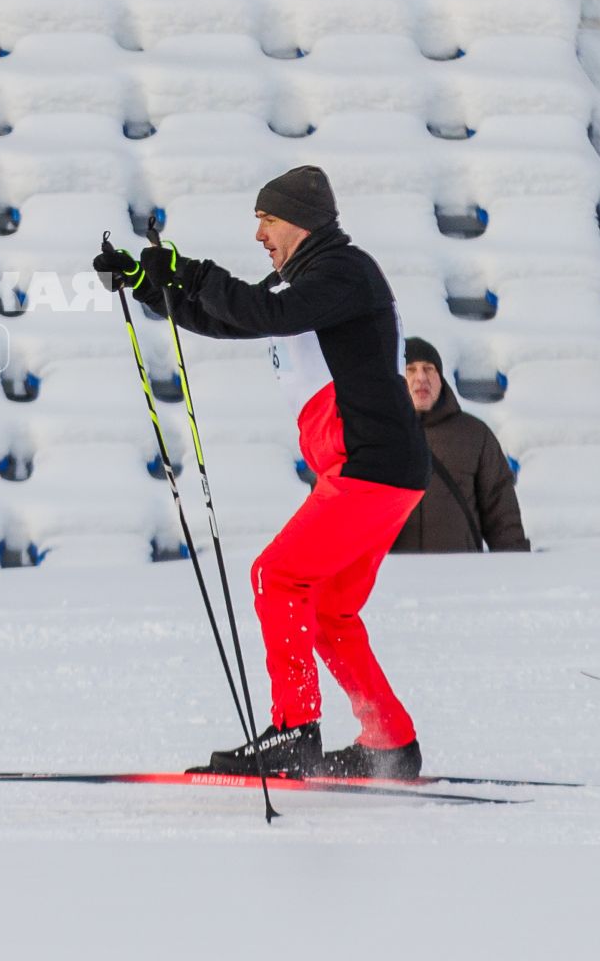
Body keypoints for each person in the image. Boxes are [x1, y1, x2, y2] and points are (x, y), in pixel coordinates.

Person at [94, 166, 431, 780]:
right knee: (328, 608)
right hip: (377, 467)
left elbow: (253, 311)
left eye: (267, 220)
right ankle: (390, 742)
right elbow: (233, 319)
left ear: (300, 220)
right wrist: (151, 286)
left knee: (276, 577)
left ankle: (294, 731)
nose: (259, 235)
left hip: (369, 465)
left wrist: (188, 272)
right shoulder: (308, 283)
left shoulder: (342, 272)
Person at [393, 338, 529, 554]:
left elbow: (500, 509)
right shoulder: (378, 435)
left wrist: (516, 564)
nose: (421, 378)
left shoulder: (474, 434)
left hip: (461, 575)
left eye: (429, 369)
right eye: (411, 370)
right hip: (396, 577)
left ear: (441, 378)